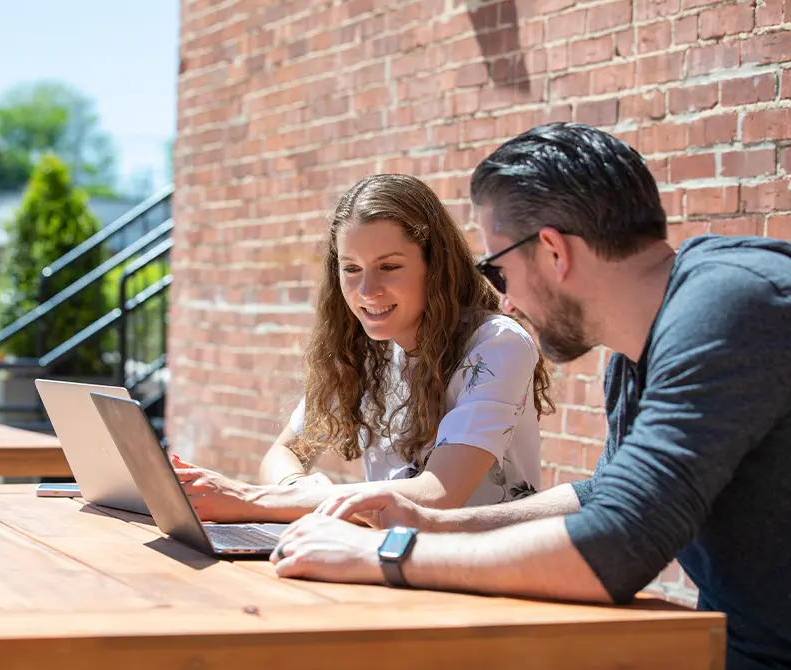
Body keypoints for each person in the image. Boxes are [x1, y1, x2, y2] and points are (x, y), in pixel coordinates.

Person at [269, 123, 791, 670]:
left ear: (552, 251)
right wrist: (433, 522)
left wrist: (386, 553)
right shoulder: (636, 356)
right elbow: (602, 495)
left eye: (497, 269)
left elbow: (616, 547)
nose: (503, 297)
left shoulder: (732, 310)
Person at [170, 173, 554, 523]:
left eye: (388, 267)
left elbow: (436, 494)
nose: (367, 291)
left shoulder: (497, 345)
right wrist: (297, 491)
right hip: (383, 563)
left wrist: (253, 501)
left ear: (436, 266)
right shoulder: (368, 350)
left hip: (485, 576)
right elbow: (283, 454)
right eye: (351, 269)